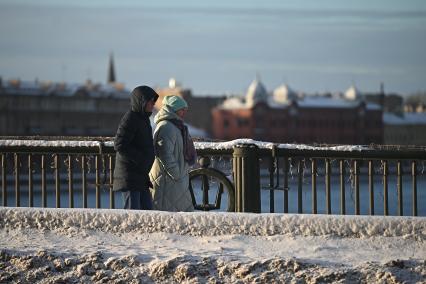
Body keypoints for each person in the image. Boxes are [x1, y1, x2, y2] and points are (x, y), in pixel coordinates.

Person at [112, 85, 159, 209]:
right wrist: (141, 159)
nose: (153, 104)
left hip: (139, 177)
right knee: (133, 217)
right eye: (150, 101)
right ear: (142, 102)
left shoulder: (143, 119)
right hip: (130, 177)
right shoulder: (131, 118)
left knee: (147, 216)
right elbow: (119, 144)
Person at [149, 95, 197, 212]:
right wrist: (176, 173)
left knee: (179, 214)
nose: (184, 112)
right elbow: (164, 153)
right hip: (168, 180)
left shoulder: (175, 126)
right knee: (169, 215)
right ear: (173, 109)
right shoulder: (166, 127)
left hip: (176, 181)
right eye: (182, 109)